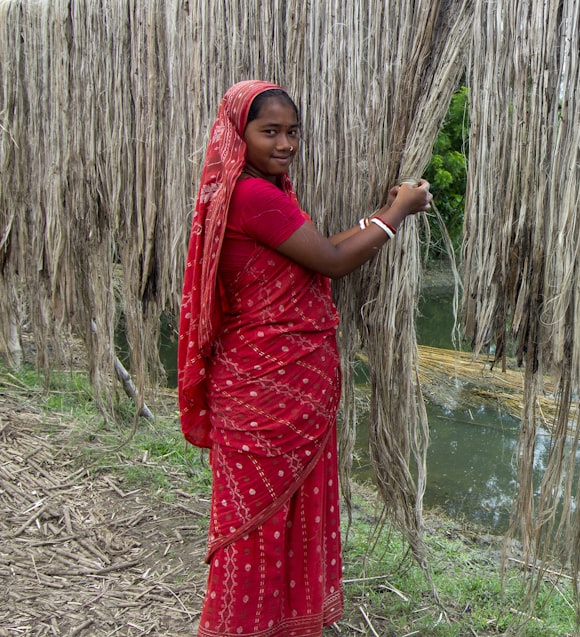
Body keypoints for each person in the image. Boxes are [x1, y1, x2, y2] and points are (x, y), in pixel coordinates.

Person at [177, 80, 432, 637]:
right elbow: (335, 262)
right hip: (266, 396)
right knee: (253, 534)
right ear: (238, 134)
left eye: (292, 132)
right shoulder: (254, 196)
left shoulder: (254, 192)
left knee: (278, 530)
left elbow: (318, 248)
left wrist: (383, 212)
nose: (285, 143)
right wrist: (400, 212)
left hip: (279, 393)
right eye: (270, 132)